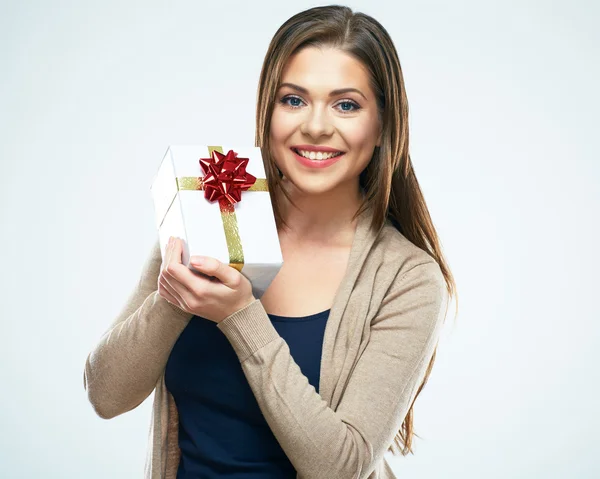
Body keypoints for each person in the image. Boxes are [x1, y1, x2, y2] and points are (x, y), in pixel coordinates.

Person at [83, 5, 458, 478]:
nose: (316, 126)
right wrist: (174, 298)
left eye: (346, 104)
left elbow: (340, 468)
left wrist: (242, 318)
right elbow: (106, 395)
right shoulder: (212, 206)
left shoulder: (407, 278)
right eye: (293, 100)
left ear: (383, 125)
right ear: (268, 111)